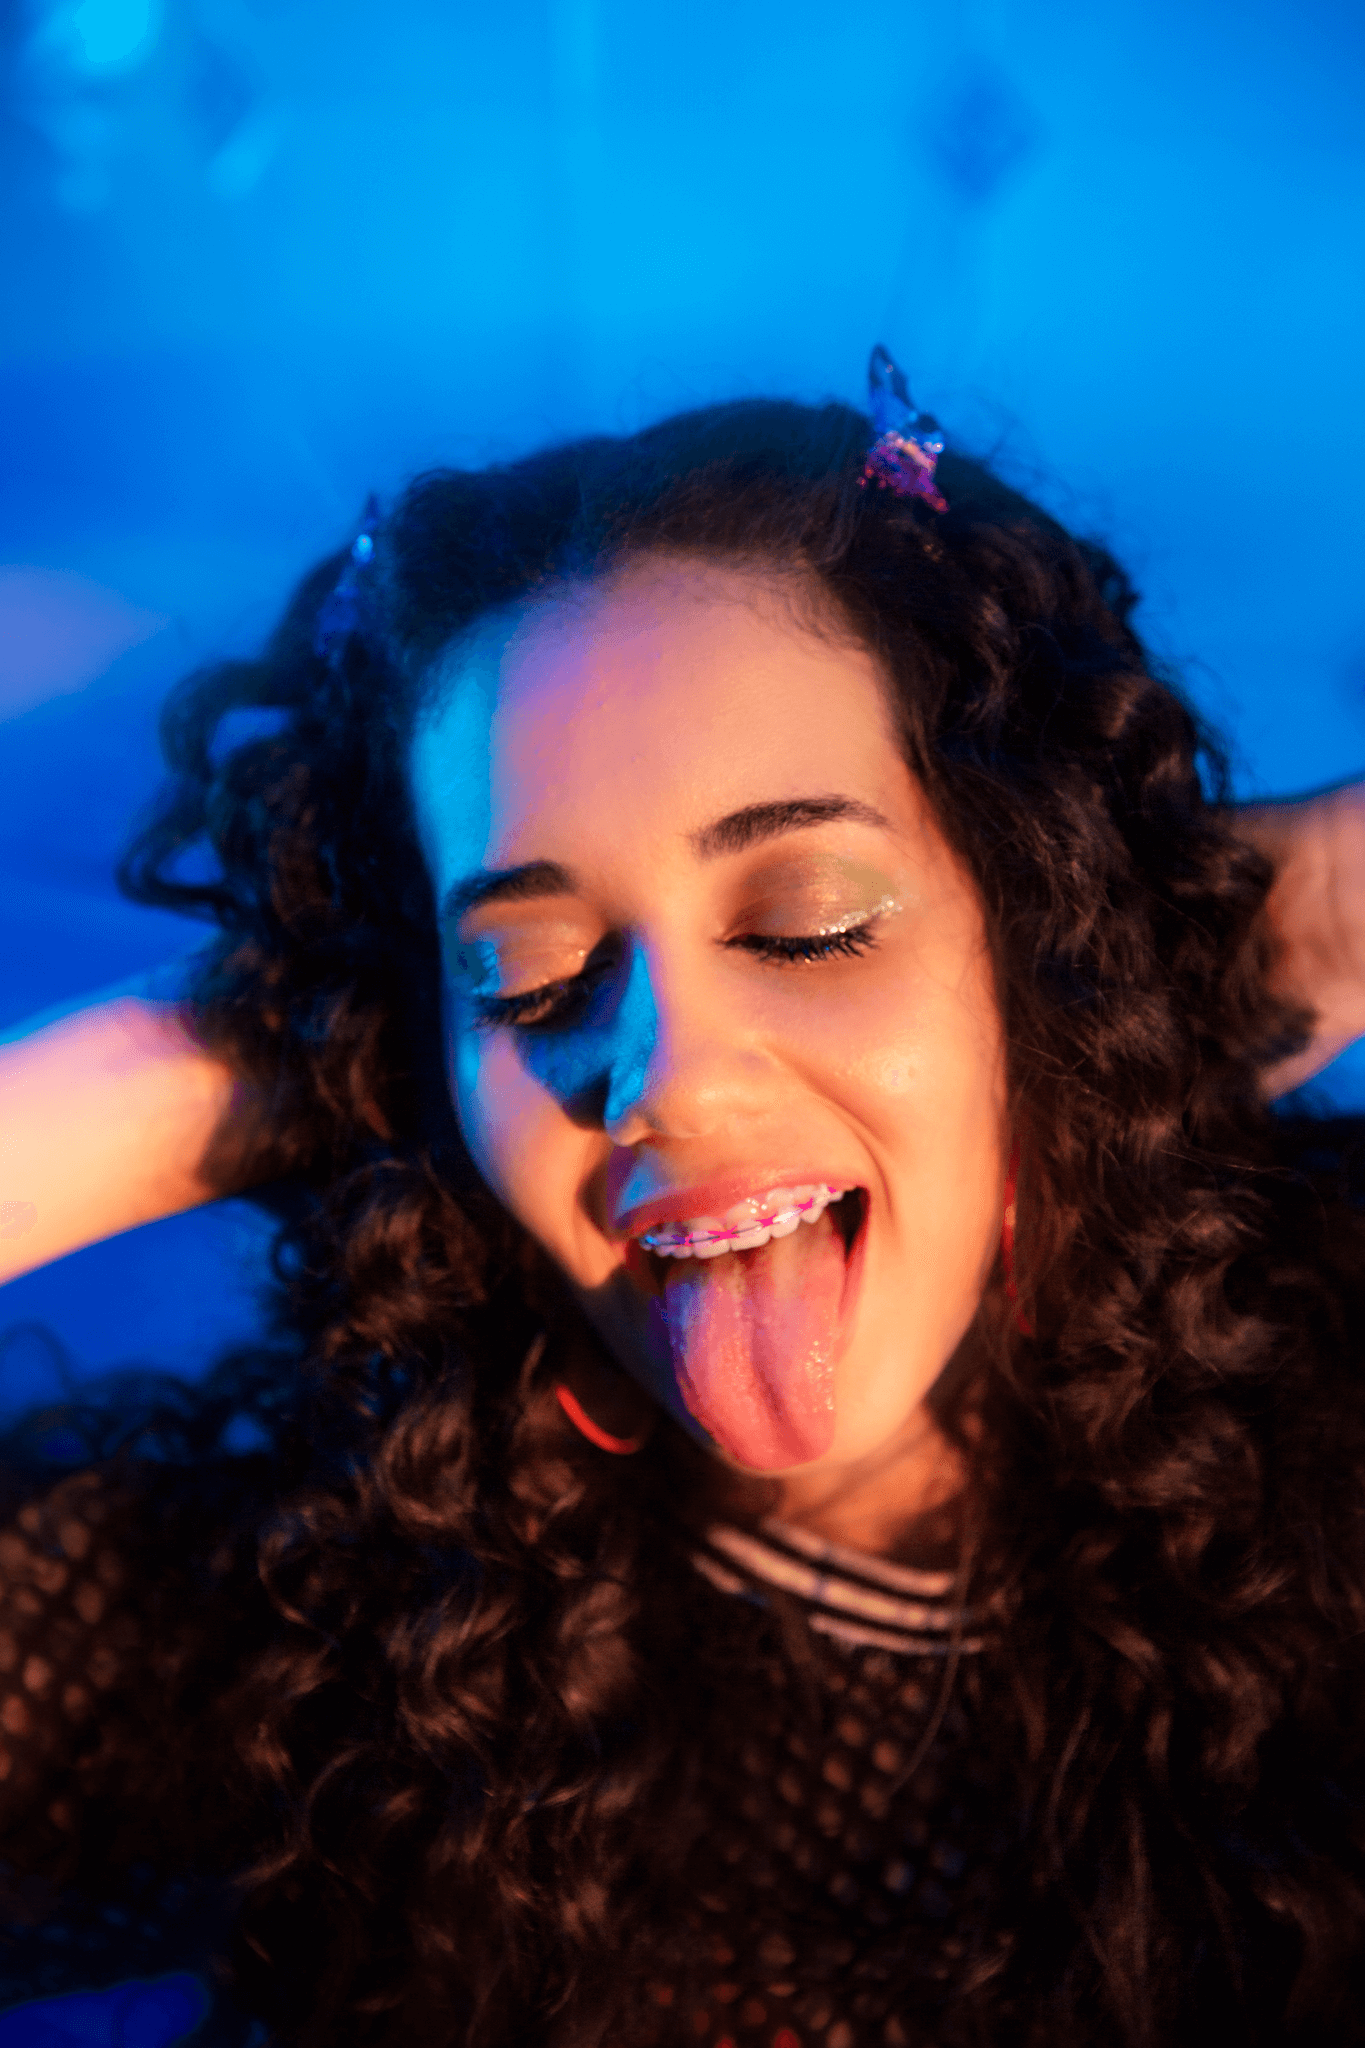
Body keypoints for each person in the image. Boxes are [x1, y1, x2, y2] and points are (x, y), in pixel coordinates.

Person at [2, 357, 1365, 2048]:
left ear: (1035, 934)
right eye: (526, 976)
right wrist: (243, 1063)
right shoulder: (320, 1643)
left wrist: (1245, 926)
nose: (665, 1075)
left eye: (803, 920)